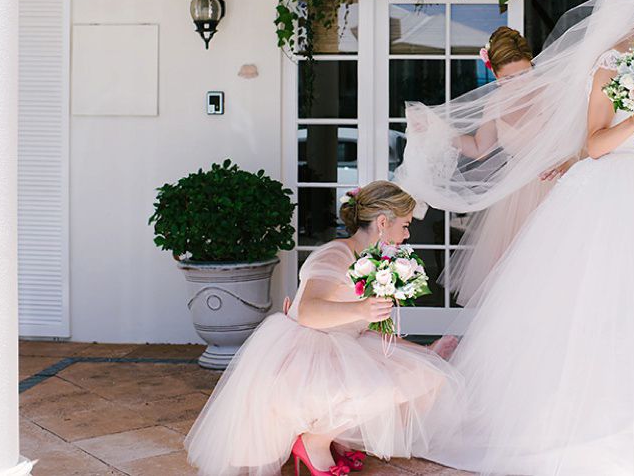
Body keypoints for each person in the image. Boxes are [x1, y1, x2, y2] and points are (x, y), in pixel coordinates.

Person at [414, 0, 634, 475]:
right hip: (609, 195)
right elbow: (595, 144)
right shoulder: (608, 64)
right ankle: (582, 424)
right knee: (594, 303)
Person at [184, 181, 465, 476]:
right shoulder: (336, 254)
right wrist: (361, 308)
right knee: (375, 386)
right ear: (383, 222)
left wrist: (421, 350)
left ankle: (339, 437)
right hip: (307, 350)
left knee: (426, 377)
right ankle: (314, 443)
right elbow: (306, 311)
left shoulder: (375, 258)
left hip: (346, 342)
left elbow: (361, 328)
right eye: (405, 225)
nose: (407, 234)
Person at [405, 26, 571, 305]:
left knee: (556, 268)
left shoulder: (556, 92)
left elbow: (578, 139)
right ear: (494, 75)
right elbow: (480, 149)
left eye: (524, 73)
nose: (519, 83)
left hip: (556, 187)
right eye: (509, 78)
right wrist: (437, 131)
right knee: (514, 277)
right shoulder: (495, 102)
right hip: (516, 195)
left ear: (532, 64)